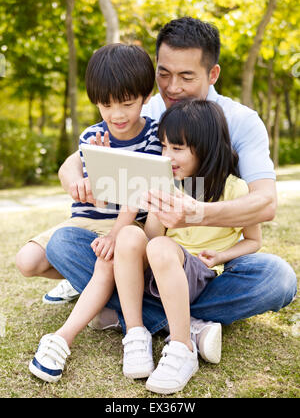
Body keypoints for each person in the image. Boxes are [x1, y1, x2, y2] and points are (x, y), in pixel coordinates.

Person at [37, 18, 297, 358]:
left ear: (212, 74)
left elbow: (265, 203)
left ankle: (129, 313)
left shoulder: (241, 121)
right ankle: (186, 326)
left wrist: (198, 214)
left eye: (186, 76)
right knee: (63, 245)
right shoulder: (145, 106)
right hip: (148, 255)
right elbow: (79, 157)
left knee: (277, 278)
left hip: (202, 266)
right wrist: (73, 177)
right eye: (164, 74)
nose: (172, 87)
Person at [27, 43, 163, 382]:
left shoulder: (155, 135)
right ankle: (83, 285)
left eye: (127, 103)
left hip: (131, 225)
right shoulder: (93, 136)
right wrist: (90, 181)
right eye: (106, 104)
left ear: (146, 96)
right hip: (93, 221)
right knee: (27, 262)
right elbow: (97, 202)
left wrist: (117, 233)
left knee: (107, 259)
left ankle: (64, 338)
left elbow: (140, 195)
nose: (116, 114)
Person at [114, 99, 262, 394]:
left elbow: (254, 240)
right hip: (159, 271)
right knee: (129, 236)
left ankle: (183, 347)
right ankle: (135, 333)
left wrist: (221, 255)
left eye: (177, 148)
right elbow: (154, 236)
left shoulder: (235, 189)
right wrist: (154, 203)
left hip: (195, 273)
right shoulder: (173, 184)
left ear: (205, 147)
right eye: (164, 146)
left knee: (159, 248)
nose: (167, 155)